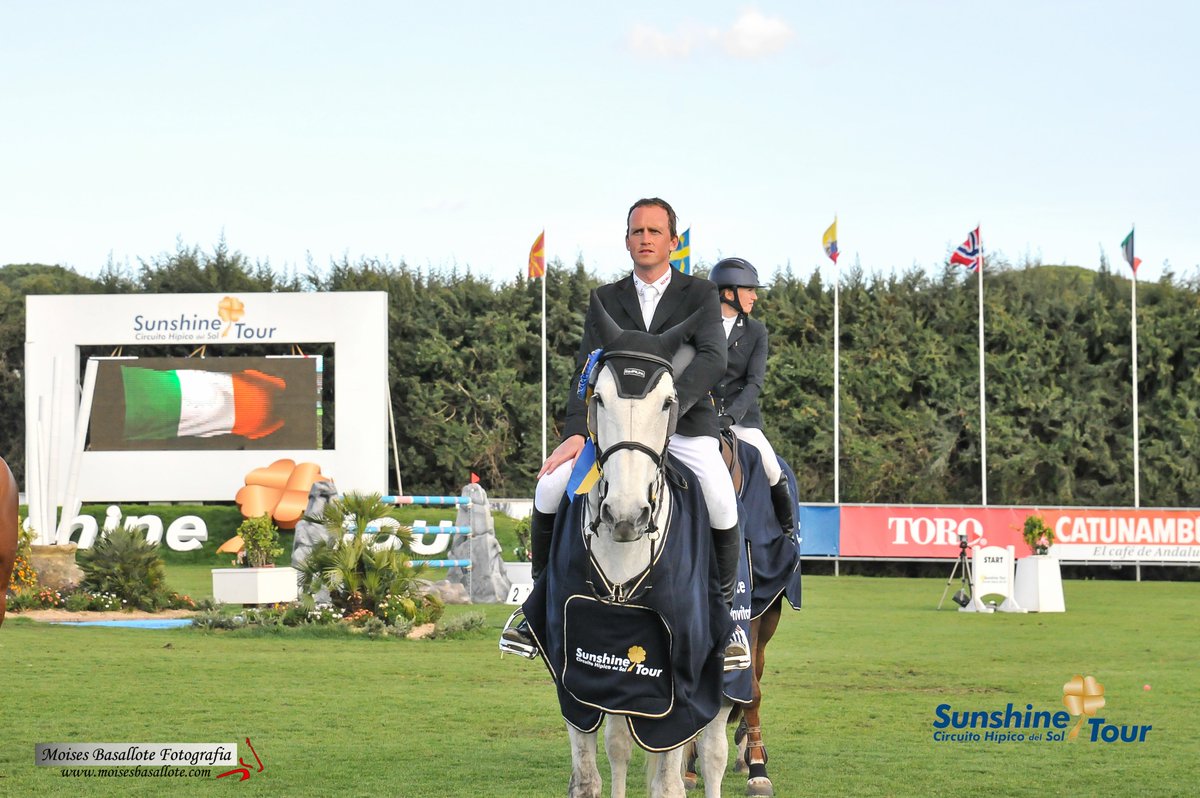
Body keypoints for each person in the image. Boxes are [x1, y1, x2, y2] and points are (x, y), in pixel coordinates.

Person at [502, 198, 747, 669]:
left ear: (673, 243)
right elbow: (587, 369)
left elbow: (715, 359)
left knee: (719, 496)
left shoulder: (699, 294)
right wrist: (576, 432)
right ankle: (536, 610)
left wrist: (668, 412)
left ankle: (725, 622)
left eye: (655, 231)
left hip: (682, 427)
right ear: (627, 240)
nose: (645, 238)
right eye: (637, 231)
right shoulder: (604, 299)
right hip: (613, 433)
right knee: (551, 486)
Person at [708, 257, 797, 539]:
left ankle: (788, 532)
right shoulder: (700, 327)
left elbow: (754, 382)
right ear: (728, 292)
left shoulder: (756, 331)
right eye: (749, 290)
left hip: (741, 420)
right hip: (701, 418)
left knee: (772, 468)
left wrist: (730, 416)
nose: (755, 296)